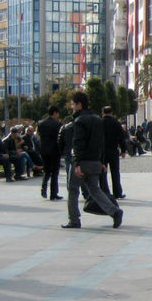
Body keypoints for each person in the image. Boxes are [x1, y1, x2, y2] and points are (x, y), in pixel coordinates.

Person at [63, 91, 123, 229]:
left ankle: (74, 220)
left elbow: (78, 143)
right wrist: (101, 162)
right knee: (95, 189)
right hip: (95, 162)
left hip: (82, 162)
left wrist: (77, 163)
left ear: (79, 105)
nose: (72, 107)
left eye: (73, 104)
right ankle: (114, 212)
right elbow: (101, 142)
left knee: (73, 190)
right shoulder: (97, 119)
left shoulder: (79, 121)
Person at [37, 106, 64, 200]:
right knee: (55, 173)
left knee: (47, 170)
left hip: (44, 150)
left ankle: (43, 188)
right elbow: (59, 138)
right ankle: (53, 194)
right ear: (55, 113)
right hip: (54, 151)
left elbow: (40, 135)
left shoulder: (41, 123)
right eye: (58, 113)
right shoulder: (58, 124)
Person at [101, 106, 126, 199]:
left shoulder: (99, 122)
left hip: (102, 151)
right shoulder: (116, 123)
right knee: (115, 172)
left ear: (102, 113)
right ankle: (117, 192)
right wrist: (123, 150)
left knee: (102, 172)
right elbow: (121, 137)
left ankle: (104, 192)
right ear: (111, 113)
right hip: (113, 150)